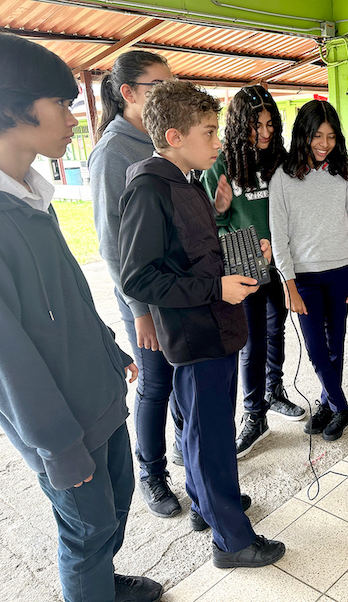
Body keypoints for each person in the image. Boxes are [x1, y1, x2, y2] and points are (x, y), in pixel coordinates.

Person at [0, 33, 162, 602]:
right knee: (86, 529)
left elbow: (67, 293)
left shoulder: (27, 192)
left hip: (95, 394)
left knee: (114, 510)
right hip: (61, 423)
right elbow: (3, 357)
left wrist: (105, 346)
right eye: (60, 103)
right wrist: (57, 447)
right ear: (8, 107)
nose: (74, 117)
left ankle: (105, 583)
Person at [118, 79, 285, 569]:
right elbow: (139, 277)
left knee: (202, 427)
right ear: (174, 136)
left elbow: (189, 250)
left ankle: (207, 505)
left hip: (215, 324)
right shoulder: (149, 188)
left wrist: (234, 245)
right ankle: (232, 541)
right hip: (197, 330)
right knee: (209, 435)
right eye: (209, 132)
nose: (218, 141)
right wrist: (216, 288)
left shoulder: (186, 181)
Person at [88, 50, 185, 519]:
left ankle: (194, 461)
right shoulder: (113, 152)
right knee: (156, 382)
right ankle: (152, 473)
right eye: (157, 86)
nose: (167, 93)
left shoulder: (160, 138)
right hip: (145, 298)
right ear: (128, 93)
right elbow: (112, 244)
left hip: (180, 287)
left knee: (186, 372)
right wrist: (140, 310)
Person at [201, 85, 306, 460]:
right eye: (256, 126)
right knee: (251, 341)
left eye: (269, 124)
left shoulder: (280, 160)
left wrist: (278, 248)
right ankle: (254, 412)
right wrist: (223, 212)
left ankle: (273, 391)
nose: (264, 132)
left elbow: (295, 210)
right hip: (243, 268)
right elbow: (212, 223)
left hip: (277, 266)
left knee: (277, 327)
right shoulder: (221, 166)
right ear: (239, 125)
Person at [269, 99, 348, 442]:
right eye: (317, 136)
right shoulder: (282, 177)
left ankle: (327, 403)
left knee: (335, 345)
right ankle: (342, 406)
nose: (324, 144)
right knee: (315, 348)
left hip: (340, 272)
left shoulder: (343, 175)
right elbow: (278, 236)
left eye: (330, 136)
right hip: (304, 280)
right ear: (303, 135)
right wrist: (289, 285)